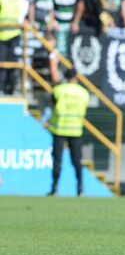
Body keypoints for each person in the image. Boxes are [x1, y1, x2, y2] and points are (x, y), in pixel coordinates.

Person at [47, 68, 91, 196]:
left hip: (59, 129)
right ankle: (80, 189)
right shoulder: (83, 93)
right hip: (76, 130)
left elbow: (52, 105)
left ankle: (54, 188)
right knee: (77, 162)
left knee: (57, 161)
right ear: (76, 78)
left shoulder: (58, 90)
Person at [0, 0, 22, 94]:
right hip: (15, 33)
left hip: (2, 35)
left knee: (2, 64)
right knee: (13, 63)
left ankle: (1, 87)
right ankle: (13, 88)